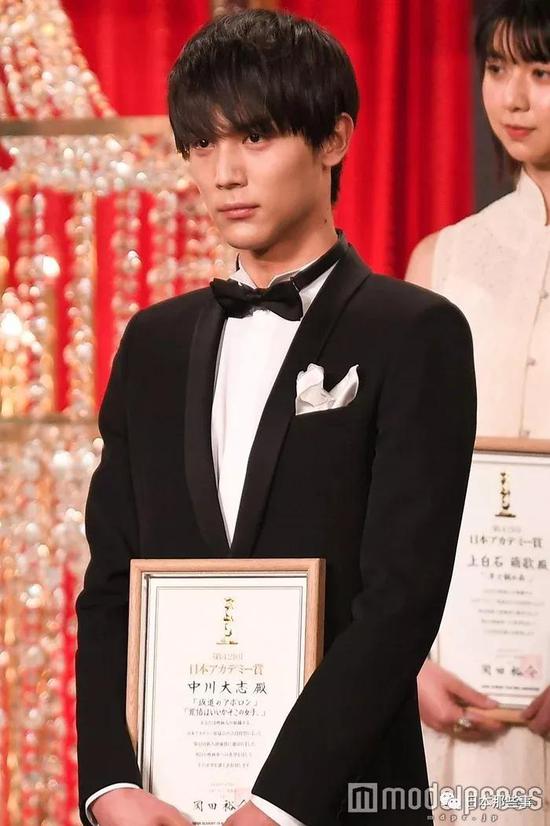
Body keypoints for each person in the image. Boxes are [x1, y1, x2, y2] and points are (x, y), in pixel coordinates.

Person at [75, 9, 476, 826]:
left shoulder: (415, 333)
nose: (224, 173)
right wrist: (108, 785)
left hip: (347, 802)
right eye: (201, 144)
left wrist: (277, 805)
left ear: (333, 140)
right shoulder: (152, 345)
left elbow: (400, 603)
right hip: (164, 802)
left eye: (254, 138)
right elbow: (111, 586)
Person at [406, 0, 550, 822]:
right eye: (497, 69)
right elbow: (400, 488)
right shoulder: (444, 261)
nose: (513, 99)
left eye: (541, 72)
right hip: (466, 681)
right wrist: (412, 662)